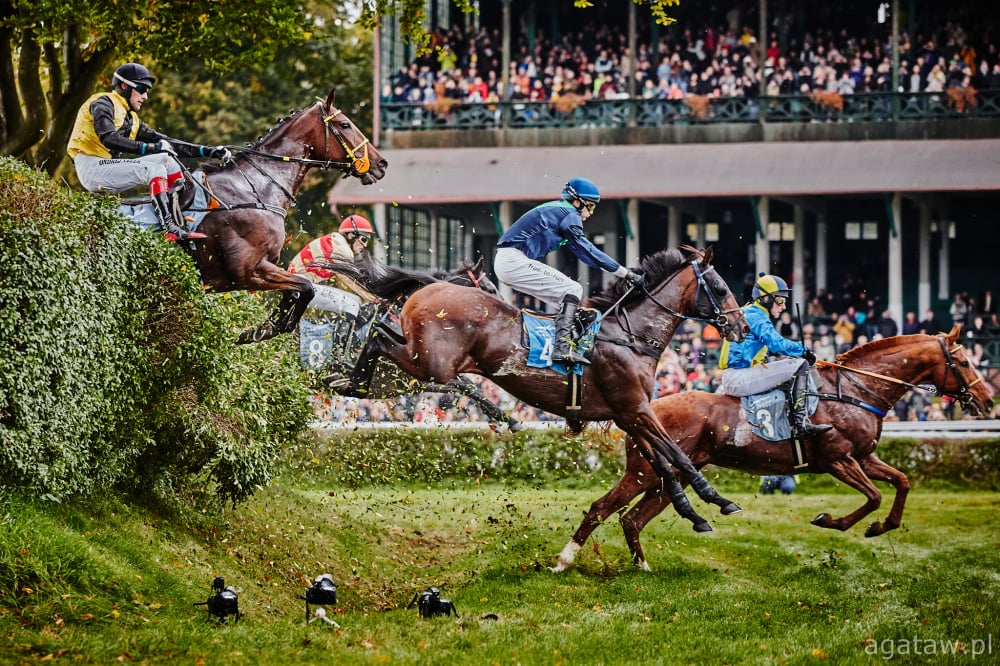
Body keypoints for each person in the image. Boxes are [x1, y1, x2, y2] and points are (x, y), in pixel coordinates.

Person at [67, 62, 232, 242]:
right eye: (142, 89)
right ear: (124, 86)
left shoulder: (132, 119)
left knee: (165, 159)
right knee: (155, 169)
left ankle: (181, 218)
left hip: (105, 166)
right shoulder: (103, 103)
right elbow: (109, 138)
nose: (145, 96)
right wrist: (150, 147)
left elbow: (169, 143)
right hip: (91, 167)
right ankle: (170, 229)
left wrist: (208, 151)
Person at [494, 177, 642, 366]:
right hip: (513, 260)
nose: (591, 213)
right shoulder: (569, 213)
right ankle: (562, 348)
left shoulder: (561, 213)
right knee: (573, 288)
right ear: (577, 201)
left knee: (569, 303)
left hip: (509, 261)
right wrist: (626, 273)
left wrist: (620, 272)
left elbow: (585, 255)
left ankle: (564, 342)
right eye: (590, 206)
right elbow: (589, 249)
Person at [719, 273, 832, 438]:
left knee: (791, 366)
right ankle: (801, 424)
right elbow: (777, 343)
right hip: (739, 377)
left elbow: (767, 348)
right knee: (800, 365)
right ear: (766, 299)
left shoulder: (749, 312)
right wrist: (805, 350)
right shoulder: (756, 315)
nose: (783, 306)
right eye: (780, 300)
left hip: (738, 375)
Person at [288, 215, 377, 366]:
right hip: (299, 286)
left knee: (356, 301)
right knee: (352, 305)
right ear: (351, 235)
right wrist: (375, 298)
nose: (364, 245)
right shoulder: (342, 250)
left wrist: (369, 296)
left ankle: (345, 345)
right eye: (363, 239)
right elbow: (351, 279)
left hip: (302, 284)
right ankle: (338, 356)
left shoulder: (337, 242)